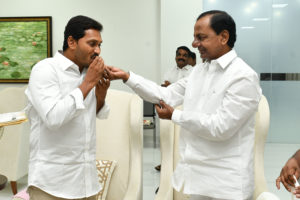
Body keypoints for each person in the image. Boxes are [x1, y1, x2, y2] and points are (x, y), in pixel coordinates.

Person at [107, 10, 261, 200]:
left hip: (226, 185)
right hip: (196, 178)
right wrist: (127, 77)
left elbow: (221, 127)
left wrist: (175, 116)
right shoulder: (199, 71)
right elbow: (165, 94)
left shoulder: (243, 76)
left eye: (201, 37)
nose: (194, 44)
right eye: (194, 37)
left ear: (224, 37)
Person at [25, 15, 110, 200]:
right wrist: (87, 84)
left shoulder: (88, 72)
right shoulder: (45, 70)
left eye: (99, 44)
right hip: (51, 186)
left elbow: (87, 118)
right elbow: (54, 118)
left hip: (87, 183)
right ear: (71, 42)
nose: (98, 50)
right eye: (92, 44)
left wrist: (100, 97)